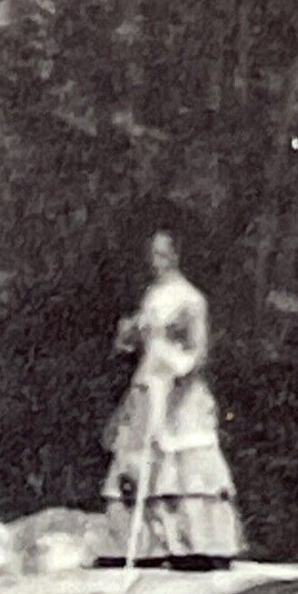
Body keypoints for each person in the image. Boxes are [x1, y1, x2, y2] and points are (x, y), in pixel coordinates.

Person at [100, 232, 244, 570]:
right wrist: (131, 334)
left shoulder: (191, 299)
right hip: (150, 382)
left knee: (183, 456)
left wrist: (179, 372)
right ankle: (145, 545)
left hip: (178, 387)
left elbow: (198, 350)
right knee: (138, 459)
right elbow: (143, 341)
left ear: (177, 255)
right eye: (153, 254)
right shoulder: (154, 295)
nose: (156, 260)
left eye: (163, 254)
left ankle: (197, 544)